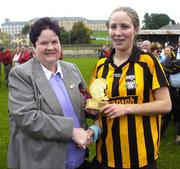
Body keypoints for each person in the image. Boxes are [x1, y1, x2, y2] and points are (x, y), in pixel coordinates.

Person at [88, 7, 171, 169]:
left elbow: (165, 104)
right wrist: (92, 109)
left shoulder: (148, 62)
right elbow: (96, 106)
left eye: (124, 26)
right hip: (105, 156)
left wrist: (127, 108)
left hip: (141, 158)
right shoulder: (101, 66)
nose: (117, 32)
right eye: (113, 27)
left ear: (136, 29)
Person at [8, 17, 93, 169]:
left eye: (55, 42)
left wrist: (93, 108)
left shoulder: (71, 69)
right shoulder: (21, 74)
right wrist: (72, 132)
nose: (50, 47)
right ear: (33, 47)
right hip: (43, 161)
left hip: (78, 157)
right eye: (43, 43)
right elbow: (27, 117)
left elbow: (84, 100)